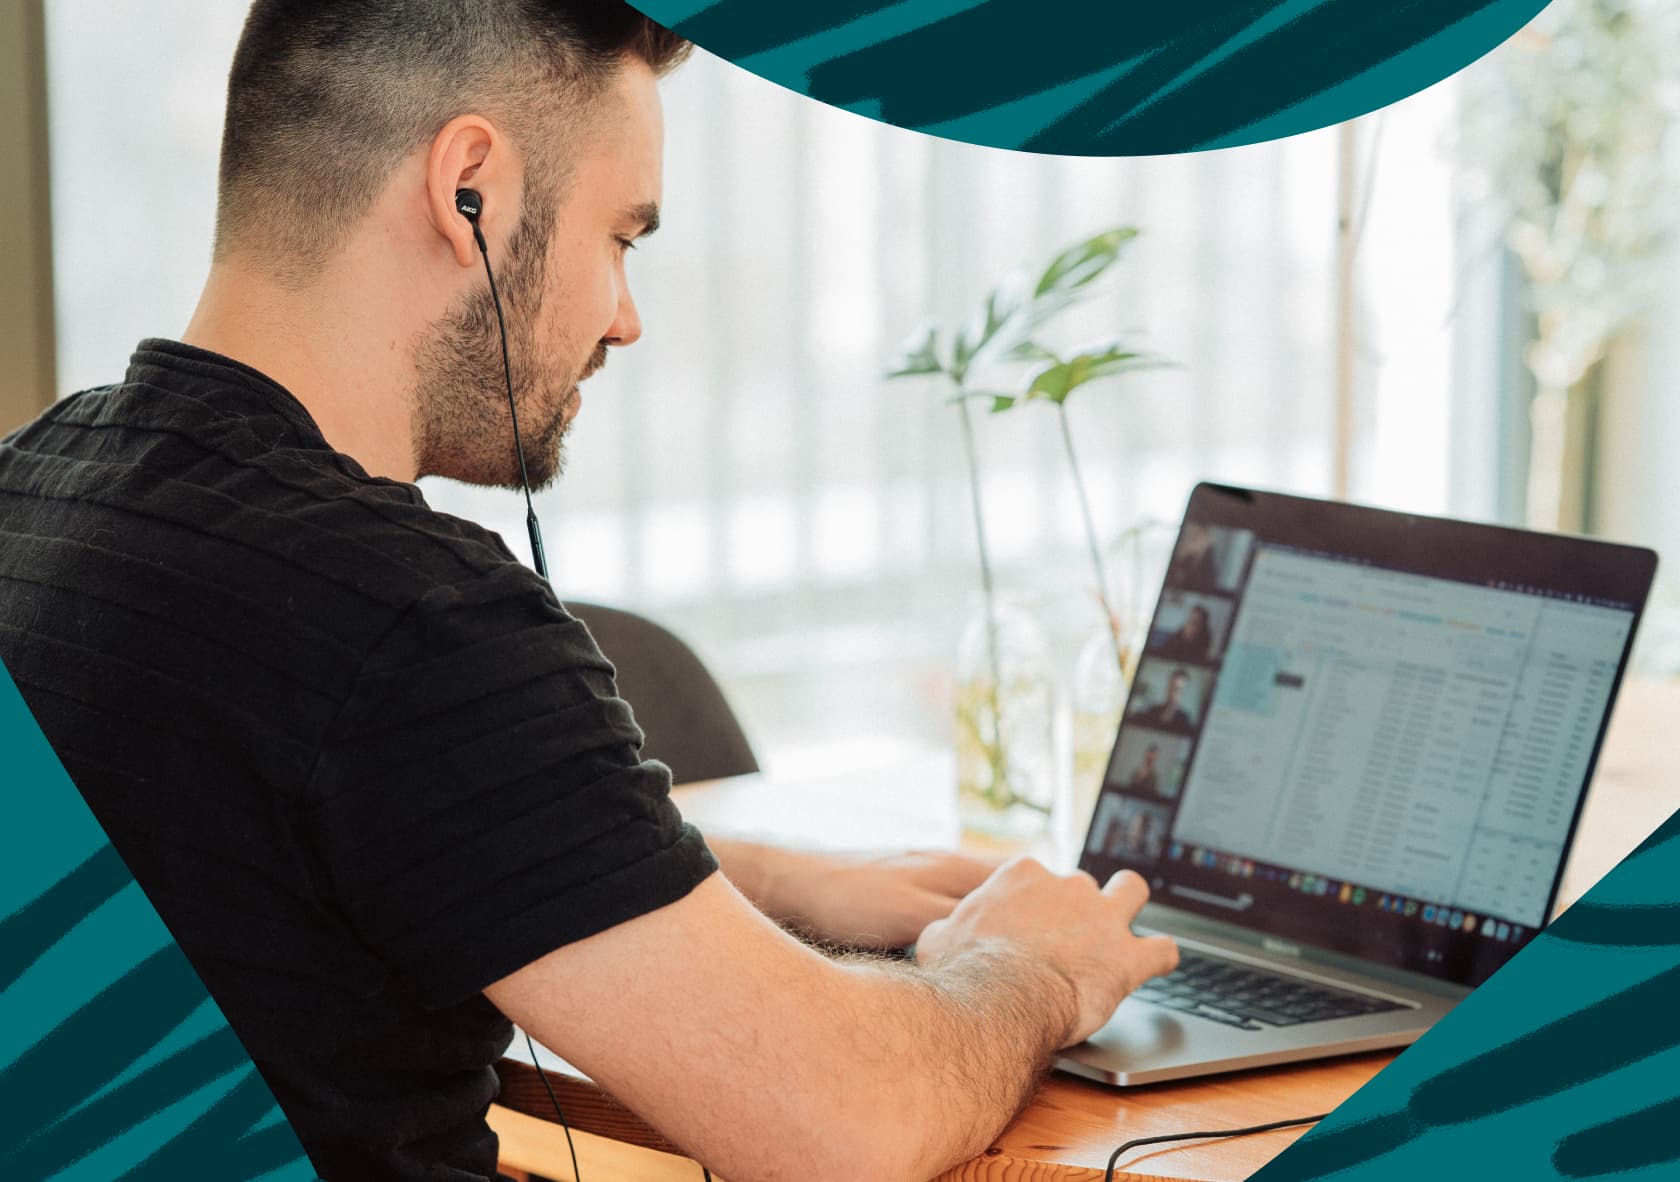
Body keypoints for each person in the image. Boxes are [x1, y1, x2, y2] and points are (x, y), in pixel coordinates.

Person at [0, 4, 1177, 1181]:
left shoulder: (41, 484)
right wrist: (1023, 965)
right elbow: (846, 1128)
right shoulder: (407, 613)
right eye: (622, 236)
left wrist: (739, 878)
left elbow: (287, 842)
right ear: (472, 186)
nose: (624, 317)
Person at [1131, 667, 1198, 732]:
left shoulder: (1185, 720)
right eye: (1171, 687)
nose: (1172, 693)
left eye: (1178, 690)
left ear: (1184, 693)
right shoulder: (1153, 710)